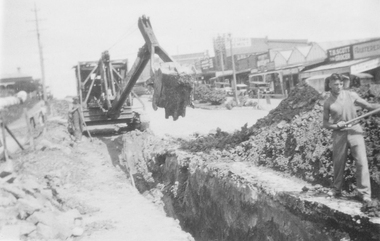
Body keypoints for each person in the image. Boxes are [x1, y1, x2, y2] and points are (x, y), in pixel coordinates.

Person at [323, 73, 380, 202]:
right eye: (336, 84)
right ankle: (336, 189)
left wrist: (378, 107)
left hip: (355, 129)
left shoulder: (351, 95)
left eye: (341, 84)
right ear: (330, 85)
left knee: (361, 161)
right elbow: (325, 123)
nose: (339, 87)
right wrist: (336, 125)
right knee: (338, 163)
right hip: (339, 133)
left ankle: (364, 193)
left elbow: (369, 106)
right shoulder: (327, 103)